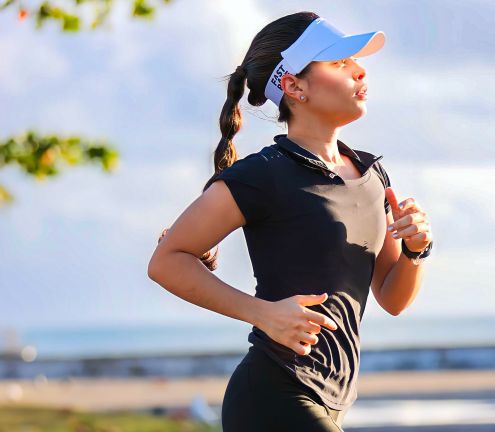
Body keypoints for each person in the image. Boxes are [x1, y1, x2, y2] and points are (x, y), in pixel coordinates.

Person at [147, 11, 433, 431]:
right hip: (273, 394)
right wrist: (261, 313)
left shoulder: (373, 177)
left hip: (332, 399)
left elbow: (393, 298)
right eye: (339, 63)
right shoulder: (264, 174)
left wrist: (415, 250)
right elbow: (167, 260)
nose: (359, 69)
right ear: (293, 86)